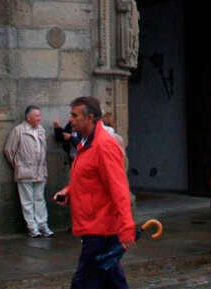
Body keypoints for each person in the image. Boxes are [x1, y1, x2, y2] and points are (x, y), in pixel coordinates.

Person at [53, 96, 134, 289]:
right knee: (110, 280)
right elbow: (89, 179)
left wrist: (126, 226)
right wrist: (69, 192)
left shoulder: (103, 146)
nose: (70, 120)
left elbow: (118, 188)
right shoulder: (86, 143)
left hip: (102, 229)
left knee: (83, 282)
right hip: (94, 225)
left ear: (90, 118)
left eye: (75, 115)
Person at [4, 105, 53, 238]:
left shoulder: (41, 130)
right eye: (36, 116)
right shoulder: (18, 130)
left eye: (39, 115)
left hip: (39, 170)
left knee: (39, 199)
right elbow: (9, 150)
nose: (39, 118)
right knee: (27, 201)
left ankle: (43, 224)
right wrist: (18, 165)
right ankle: (32, 227)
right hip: (25, 171)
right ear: (28, 117)